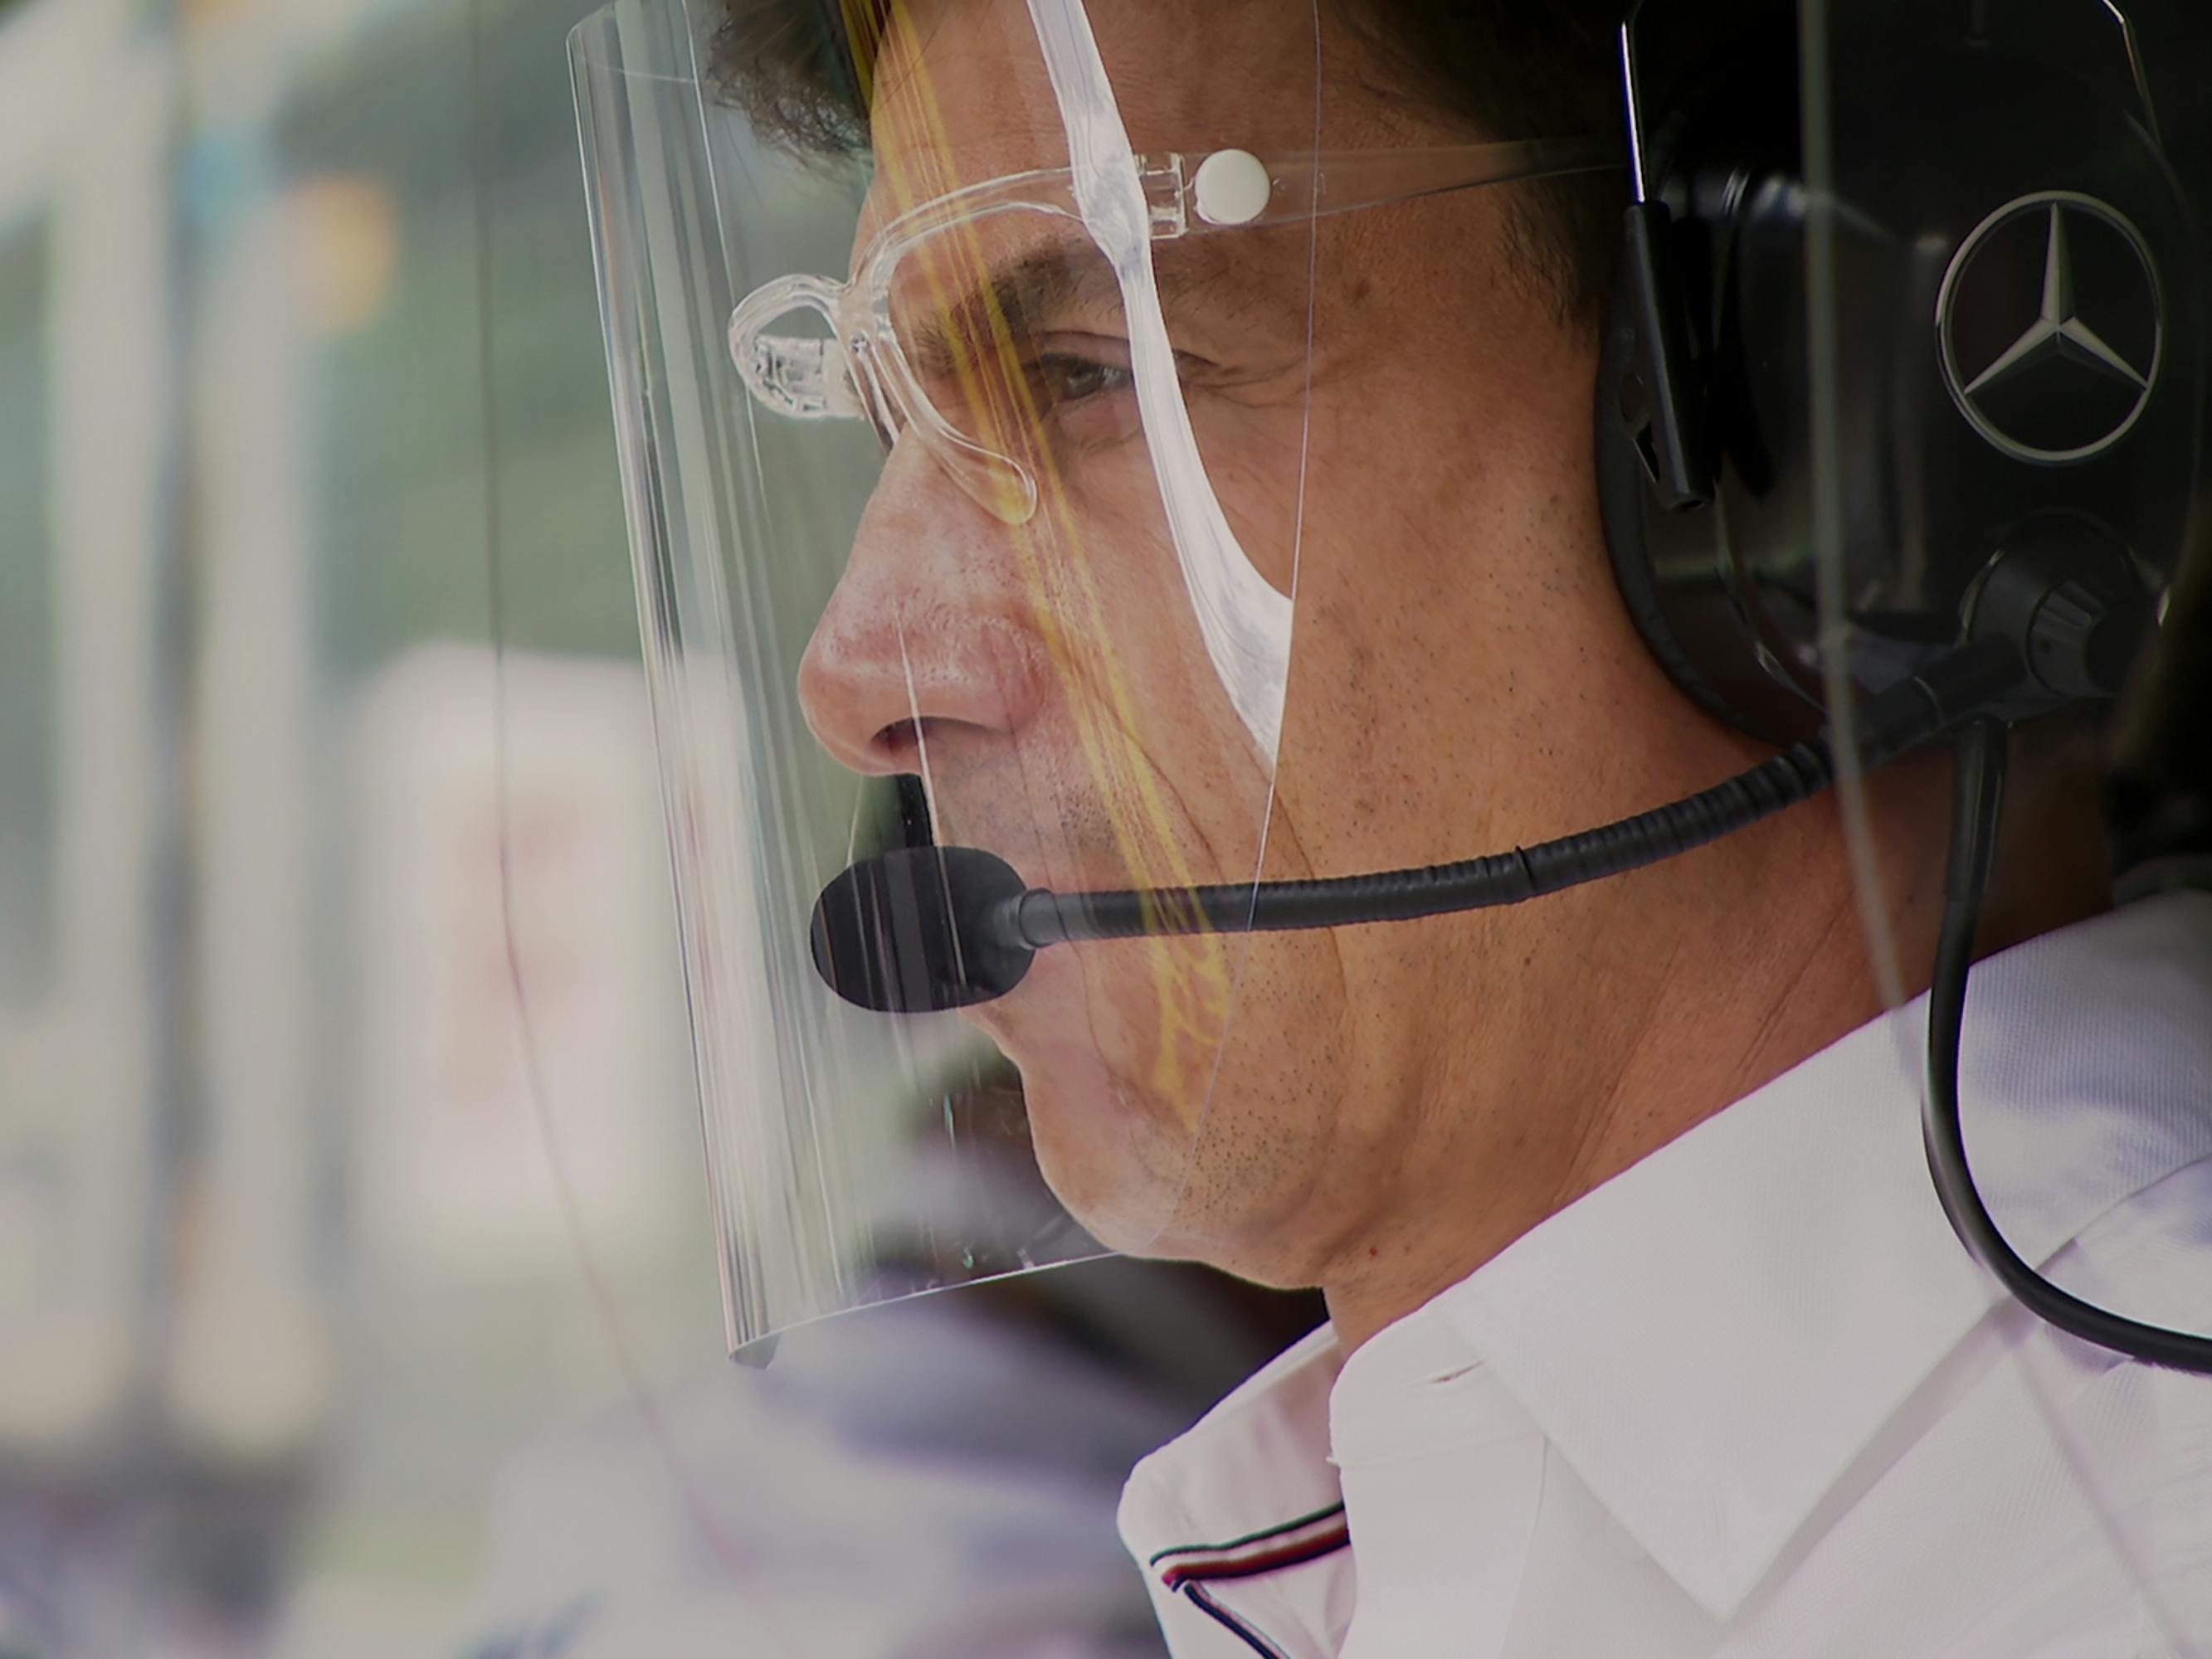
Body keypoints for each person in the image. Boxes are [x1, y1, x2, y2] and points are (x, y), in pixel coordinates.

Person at [570, 0, 2212, 1652]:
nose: (854, 666)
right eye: (892, 426)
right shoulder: (1378, 1533)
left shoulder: (2131, 1565)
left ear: (1839, 416)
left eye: (1091, 374)